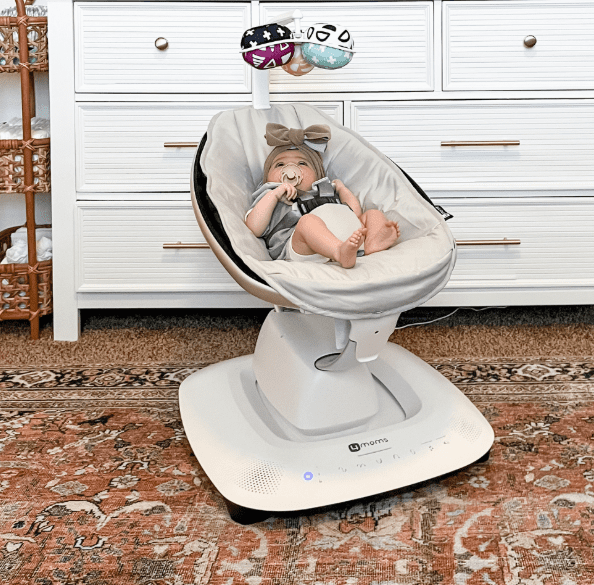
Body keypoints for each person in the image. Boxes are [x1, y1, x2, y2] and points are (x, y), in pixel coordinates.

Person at [245, 123, 400, 268]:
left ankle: (372, 243)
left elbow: (354, 213)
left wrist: (342, 189)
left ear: (317, 174)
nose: (290, 168)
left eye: (302, 163)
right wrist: (275, 194)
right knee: (307, 222)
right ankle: (338, 251)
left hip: (346, 233)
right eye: (279, 164)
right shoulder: (269, 194)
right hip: (302, 247)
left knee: (372, 214)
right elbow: (254, 227)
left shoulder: (325, 189)